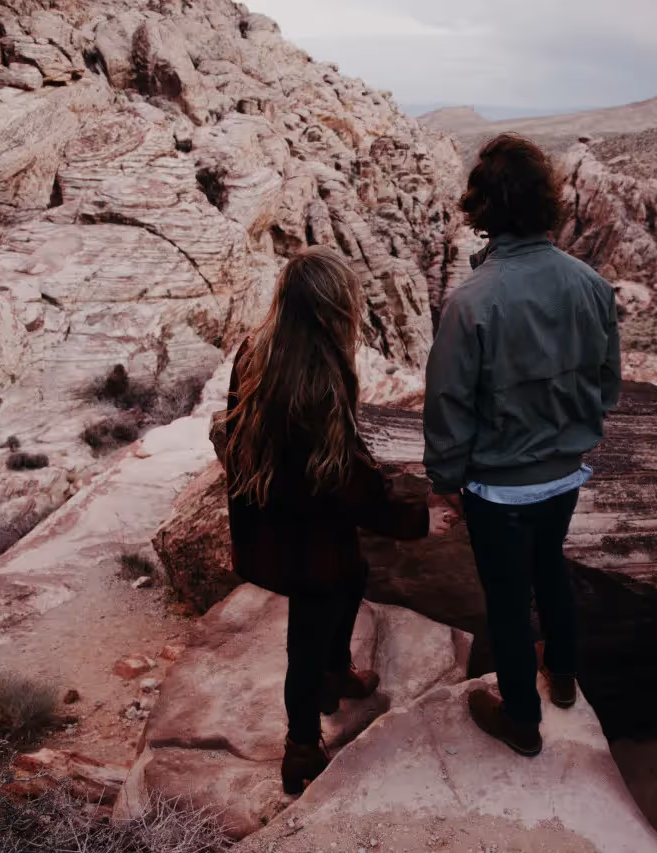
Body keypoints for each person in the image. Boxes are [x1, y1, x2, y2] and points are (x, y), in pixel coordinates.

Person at [212, 247, 450, 795]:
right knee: (309, 628)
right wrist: (417, 522)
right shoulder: (318, 376)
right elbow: (343, 480)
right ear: (329, 308)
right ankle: (300, 746)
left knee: (352, 579)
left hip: (274, 520)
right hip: (309, 531)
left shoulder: (258, 350)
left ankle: (335, 673)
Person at [423, 133, 622, 757]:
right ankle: (562, 677)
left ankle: (522, 720)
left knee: (508, 603)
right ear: (545, 203)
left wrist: (443, 478)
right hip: (565, 474)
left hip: (498, 488)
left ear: (483, 209)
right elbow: (607, 383)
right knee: (551, 569)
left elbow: (449, 405)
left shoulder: (471, 303)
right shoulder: (590, 284)